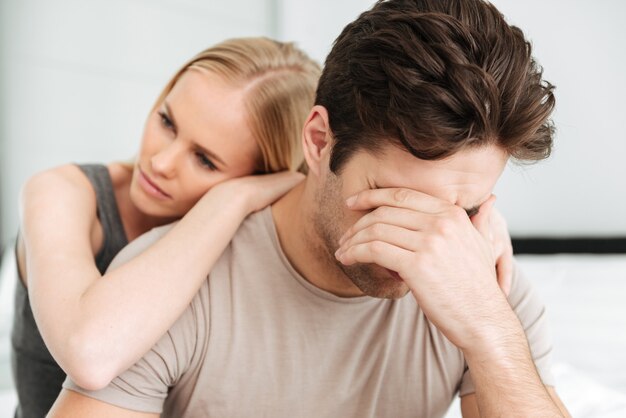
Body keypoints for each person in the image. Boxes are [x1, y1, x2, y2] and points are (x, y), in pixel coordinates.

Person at [48, 0, 570, 416]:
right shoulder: (169, 288)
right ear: (319, 141)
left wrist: (490, 334)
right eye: (396, 201)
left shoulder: (484, 285)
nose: (431, 240)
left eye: (466, 207)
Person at [11, 37, 322, 418]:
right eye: (167, 122)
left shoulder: (250, 247)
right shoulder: (61, 193)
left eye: (205, 160)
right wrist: (231, 199)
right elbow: (88, 352)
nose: (161, 162)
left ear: (263, 174)